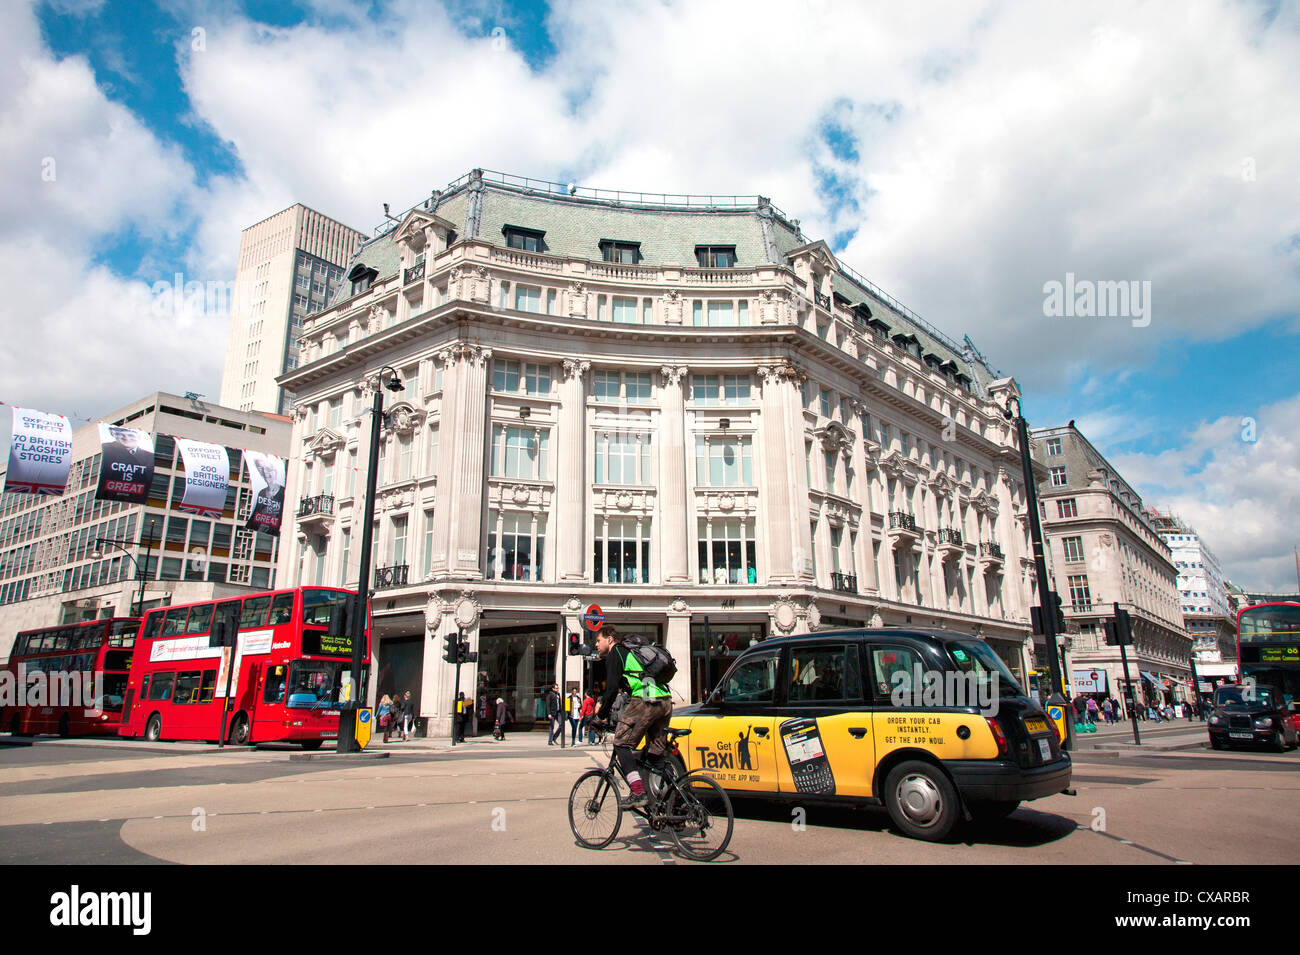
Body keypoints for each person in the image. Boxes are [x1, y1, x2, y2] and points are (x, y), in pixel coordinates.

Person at [593, 625, 673, 809]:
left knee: (621, 744)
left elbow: (611, 690)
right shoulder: (631, 654)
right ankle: (677, 801)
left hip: (646, 700)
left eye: (598, 640)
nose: (596, 645)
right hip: (665, 701)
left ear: (610, 639)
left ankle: (638, 792)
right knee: (655, 755)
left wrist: (600, 717)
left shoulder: (616, 653)